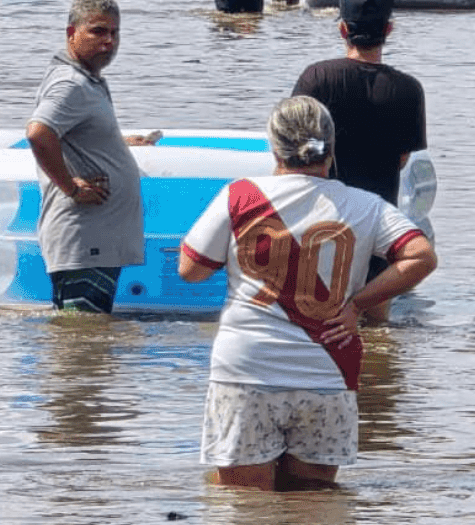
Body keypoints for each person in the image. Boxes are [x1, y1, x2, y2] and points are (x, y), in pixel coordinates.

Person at [178, 95, 437, 491]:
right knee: (314, 510)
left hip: (248, 371)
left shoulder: (241, 197)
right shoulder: (366, 206)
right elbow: (421, 257)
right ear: (331, 149)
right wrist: (358, 304)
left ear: (273, 146)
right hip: (327, 376)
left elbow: (191, 270)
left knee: (242, 506)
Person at [292, 0, 428, 320]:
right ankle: (378, 370)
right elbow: (402, 159)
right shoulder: (408, 89)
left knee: (316, 318)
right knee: (374, 321)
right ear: (388, 30)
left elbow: (294, 150)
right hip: (378, 221)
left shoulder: (317, 78)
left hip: (322, 217)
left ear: (342, 29)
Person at [26, 0, 159, 313]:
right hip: (84, 239)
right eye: (98, 31)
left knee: (85, 346)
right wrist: (71, 187)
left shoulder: (87, 80)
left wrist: (116, 142)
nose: (108, 41)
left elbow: (72, 133)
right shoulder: (71, 84)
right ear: (72, 33)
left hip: (96, 239)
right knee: (78, 345)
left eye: (114, 33)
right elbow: (38, 133)